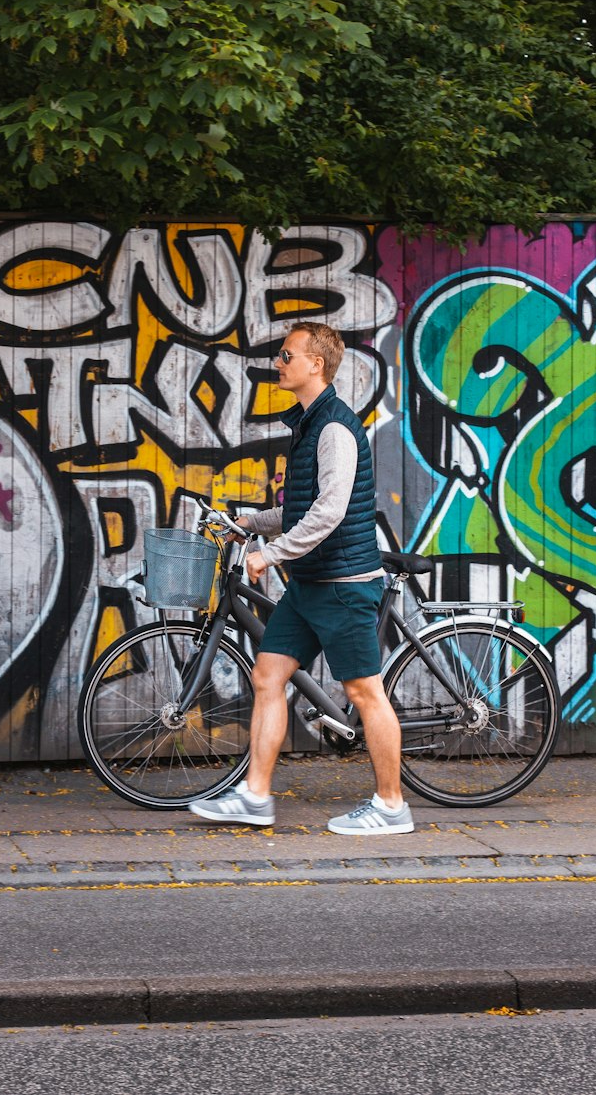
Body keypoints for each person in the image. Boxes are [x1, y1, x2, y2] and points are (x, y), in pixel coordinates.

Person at [188, 321, 414, 835]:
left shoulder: (334, 427)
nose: (279, 363)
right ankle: (255, 796)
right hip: (310, 585)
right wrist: (251, 522)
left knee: (363, 692)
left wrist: (271, 554)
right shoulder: (310, 424)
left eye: (288, 356)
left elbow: (330, 511)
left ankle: (391, 806)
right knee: (267, 676)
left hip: (344, 583)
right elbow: (300, 508)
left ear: (317, 363)